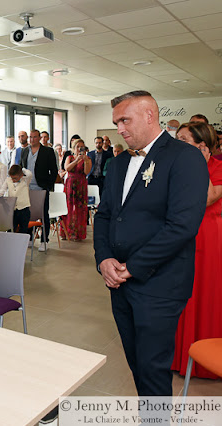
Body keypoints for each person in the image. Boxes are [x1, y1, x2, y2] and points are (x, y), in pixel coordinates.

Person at [94, 90, 208, 396]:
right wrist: (104, 259)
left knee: (153, 369)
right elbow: (105, 216)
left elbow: (182, 226)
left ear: (150, 116)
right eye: (116, 122)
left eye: (124, 120)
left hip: (160, 284)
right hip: (119, 282)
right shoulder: (118, 164)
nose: (119, 129)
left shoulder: (185, 157)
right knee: (136, 364)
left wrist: (132, 267)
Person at [172, 122, 222, 379]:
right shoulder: (178, 166)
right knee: (182, 294)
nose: (177, 143)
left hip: (209, 237)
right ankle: (179, 353)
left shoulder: (218, 167)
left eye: (183, 139)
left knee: (204, 292)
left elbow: (208, 198)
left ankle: (206, 357)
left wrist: (199, 165)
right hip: (181, 234)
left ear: (202, 145)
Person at [20, 129, 58, 252]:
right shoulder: (25, 151)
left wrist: (48, 186)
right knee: (27, 214)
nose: (32, 139)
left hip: (41, 188)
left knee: (43, 215)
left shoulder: (47, 151)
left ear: (39, 138)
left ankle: (44, 240)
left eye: (35, 137)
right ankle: (30, 238)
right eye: (30, 137)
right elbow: (22, 167)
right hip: (27, 188)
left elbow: (54, 170)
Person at [64, 139, 91, 241]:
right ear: (73, 148)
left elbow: (86, 172)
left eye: (82, 146)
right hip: (70, 184)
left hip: (81, 184)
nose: (80, 148)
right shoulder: (69, 157)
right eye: (78, 146)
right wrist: (76, 160)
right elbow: (67, 168)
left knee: (80, 208)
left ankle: (78, 233)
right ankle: (67, 232)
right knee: (69, 207)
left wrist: (85, 160)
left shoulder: (87, 159)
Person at [0, 165, 32, 235]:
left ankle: (22, 244)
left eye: (15, 178)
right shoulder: (8, 180)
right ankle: (11, 244)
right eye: (12, 178)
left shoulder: (25, 180)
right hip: (12, 209)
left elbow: (29, 173)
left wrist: (22, 170)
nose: (13, 180)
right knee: (11, 228)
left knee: (23, 229)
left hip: (24, 209)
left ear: (21, 175)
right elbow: (2, 190)